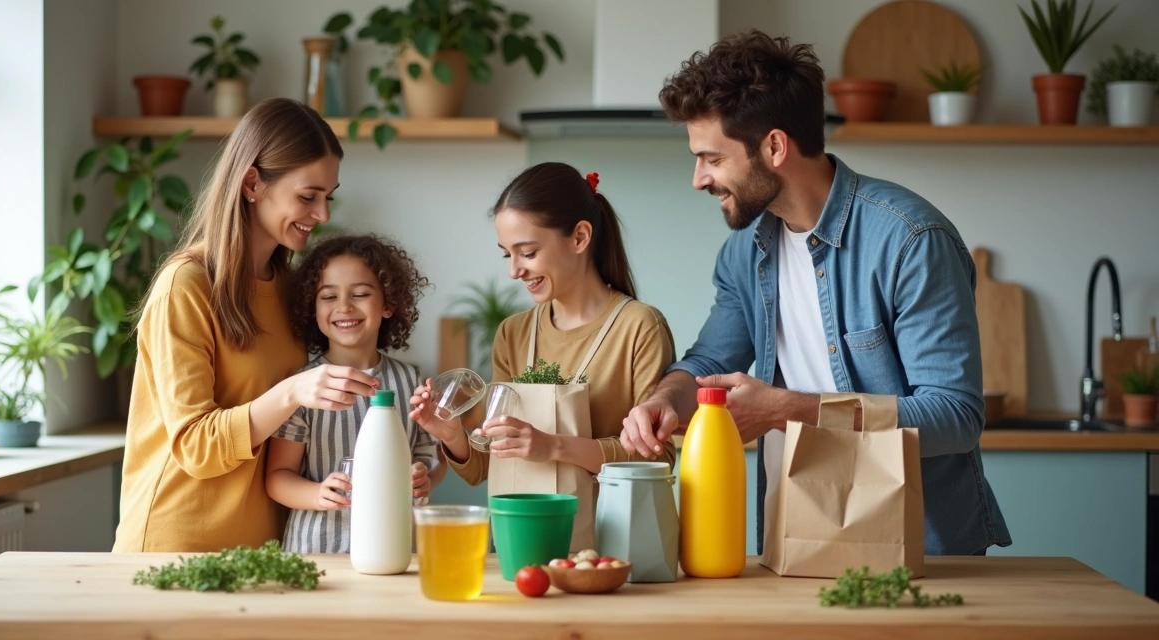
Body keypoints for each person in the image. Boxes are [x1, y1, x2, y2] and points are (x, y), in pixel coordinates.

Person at [620, 30, 1011, 555]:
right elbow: (712, 358)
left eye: (712, 158)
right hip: (795, 533)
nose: (698, 179)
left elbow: (954, 416)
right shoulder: (746, 251)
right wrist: (664, 400)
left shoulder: (910, 240)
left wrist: (787, 410)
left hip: (918, 547)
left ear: (775, 147)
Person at [114, 98, 380, 552]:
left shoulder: (292, 288)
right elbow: (196, 445)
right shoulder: (186, 286)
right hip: (177, 545)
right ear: (253, 183)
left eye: (327, 197)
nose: (323, 215)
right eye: (307, 196)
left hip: (265, 548)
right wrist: (292, 392)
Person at [410, 162, 676, 541]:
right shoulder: (513, 334)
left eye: (528, 252)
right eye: (508, 255)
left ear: (580, 237)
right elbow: (484, 467)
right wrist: (452, 434)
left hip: (615, 548)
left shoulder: (638, 327)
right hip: (524, 545)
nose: (514, 271)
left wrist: (553, 446)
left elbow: (659, 459)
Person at [266, 234, 444, 553]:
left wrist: (423, 475)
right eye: (328, 296)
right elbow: (278, 477)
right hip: (318, 552)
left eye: (360, 294)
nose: (344, 307)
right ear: (312, 307)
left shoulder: (411, 380)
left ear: (388, 304)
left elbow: (431, 458)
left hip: (396, 547)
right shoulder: (303, 387)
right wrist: (317, 494)